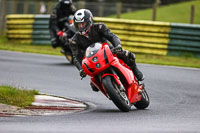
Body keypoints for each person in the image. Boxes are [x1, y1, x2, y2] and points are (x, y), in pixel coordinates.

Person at [69, 9, 144, 90]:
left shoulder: (100, 27)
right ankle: (111, 91)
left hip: (108, 51)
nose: (80, 26)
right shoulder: (74, 40)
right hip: (93, 60)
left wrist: (117, 45)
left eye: (82, 24)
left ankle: (135, 70)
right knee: (94, 86)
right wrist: (81, 69)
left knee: (127, 55)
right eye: (78, 24)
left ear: (89, 21)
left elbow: (112, 36)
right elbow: (76, 57)